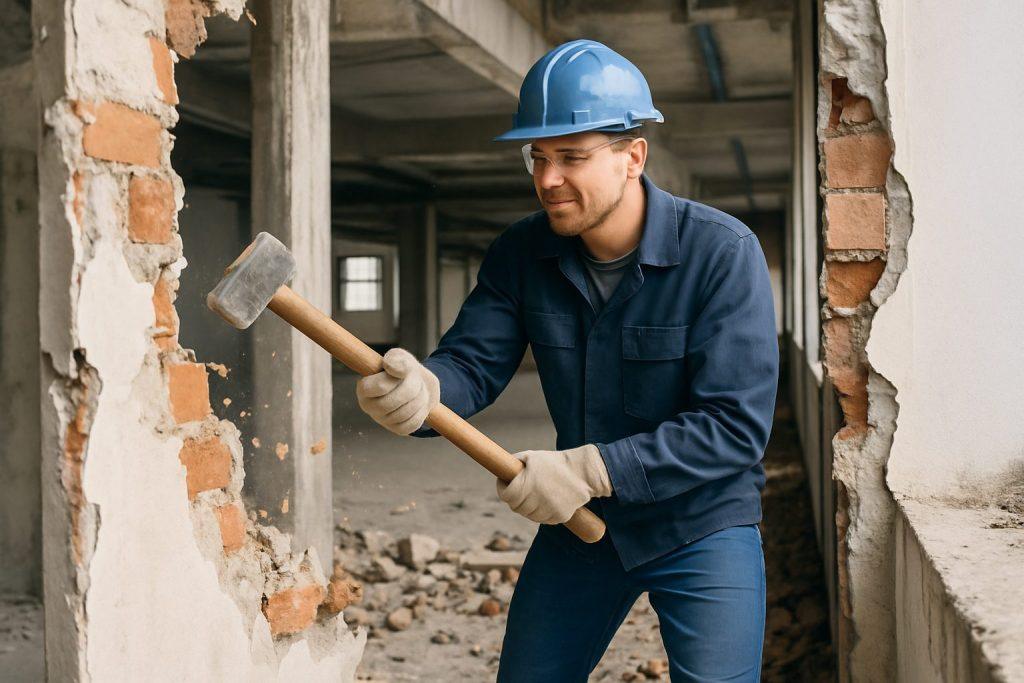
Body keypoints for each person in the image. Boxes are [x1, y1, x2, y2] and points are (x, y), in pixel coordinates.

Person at [354, 39, 778, 682]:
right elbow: (471, 362)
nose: (547, 180)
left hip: (701, 524)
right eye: (539, 157)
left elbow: (735, 426)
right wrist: (421, 389)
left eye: (572, 157)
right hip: (580, 522)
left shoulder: (722, 254)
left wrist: (591, 467)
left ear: (633, 156)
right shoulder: (522, 254)